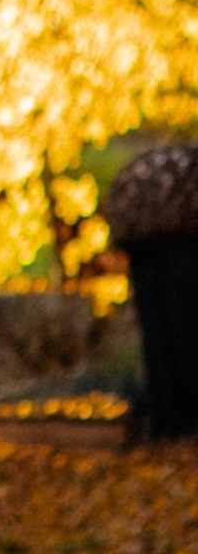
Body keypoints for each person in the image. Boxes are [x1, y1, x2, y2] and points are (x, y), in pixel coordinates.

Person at [101, 140, 198, 441]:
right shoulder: (184, 180)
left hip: (147, 259)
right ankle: (179, 421)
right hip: (179, 260)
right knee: (183, 340)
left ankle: (169, 421)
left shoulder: (148, 180)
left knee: (162, 344)